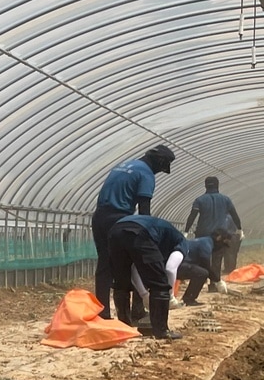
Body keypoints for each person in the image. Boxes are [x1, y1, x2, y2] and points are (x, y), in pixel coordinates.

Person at [91, 145, 174, 319]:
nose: (161, 171)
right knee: (138, 261)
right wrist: (149, 234)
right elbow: (144, 209)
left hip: (100, 217)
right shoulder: (146, 174)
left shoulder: (125, 165)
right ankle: (136, 311)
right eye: (163, 166)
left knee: (105, 265)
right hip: (119, 219)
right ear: (159, 162)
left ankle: (102, 312)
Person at [107, 214, 187, 339]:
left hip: (116, 231)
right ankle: (161, 331)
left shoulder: (163, 235)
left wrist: (144, 294)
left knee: (121, 283)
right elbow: (170, 269)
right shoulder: (181, 242)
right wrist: (170, 296)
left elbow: (133, 268)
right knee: (160, 284)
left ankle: (125, 329)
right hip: (141, 232)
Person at [184, 177, 245, 289]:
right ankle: (213, 285)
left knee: (200, 259)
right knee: (217, 260)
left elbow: (192, 216)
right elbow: (235, 215)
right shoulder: (226, 200)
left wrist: (186, 231)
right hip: (219, 236)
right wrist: (239, 229)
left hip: (202, 235)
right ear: (218, 185)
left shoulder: (200, 200)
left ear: (205, 186)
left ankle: (197, 283)